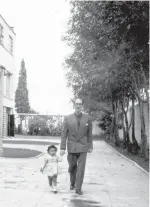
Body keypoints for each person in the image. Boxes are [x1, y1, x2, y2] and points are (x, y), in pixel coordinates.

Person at [60, 98, 93, 195]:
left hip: (83, 146)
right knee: (72, 166)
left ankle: (78, 188)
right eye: (76, 104)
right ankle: (72, 182)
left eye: (80, 104)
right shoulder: (67, 118)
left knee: (81, 168)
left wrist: (90, 145)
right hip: (72, 146)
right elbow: (64, 134)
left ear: (82, 105)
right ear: (74, 105)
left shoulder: (88, 118)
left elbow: (89, 134)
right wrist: (62, 148)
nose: (78, 105)